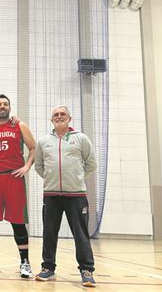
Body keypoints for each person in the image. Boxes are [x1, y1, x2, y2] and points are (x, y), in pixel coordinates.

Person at [34, 105, 97, 287]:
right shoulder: (43, 141)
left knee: (81, 234)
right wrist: (49, 179)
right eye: (56, 114)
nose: (59, 116)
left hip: (76, 195)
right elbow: (39, 166)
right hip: (51, 195)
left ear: (69, 118)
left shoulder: (81, 139)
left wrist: (77, 179)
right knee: (49, 233)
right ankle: (48, 268)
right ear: (51, 120)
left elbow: (91, 164)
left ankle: (87, 270)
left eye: (63, 114)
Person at [0, 94, 36, 278]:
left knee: (18, 221)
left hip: (13, 178)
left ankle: (25, 262)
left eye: (5, 104)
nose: (2, 106)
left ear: (9, 108)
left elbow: (33, 148)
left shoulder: (19, 125)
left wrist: (26, 166)